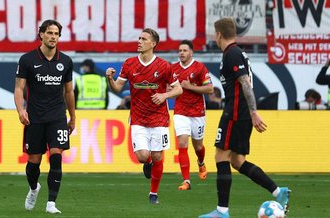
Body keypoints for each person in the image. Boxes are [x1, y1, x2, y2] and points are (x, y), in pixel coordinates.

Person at [199, 17, 290, 218]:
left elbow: (246, 83)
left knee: (220, 156)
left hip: (236, 113)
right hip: (241, 113)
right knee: (238, 161)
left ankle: (222, 211)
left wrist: (253, 111)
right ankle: (278, 192)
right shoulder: (236, 53)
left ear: (219, 35)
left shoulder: (232, 53)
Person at [106, 28, 183, 204]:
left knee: (157, 156)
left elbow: (178, 89)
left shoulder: (164, 66)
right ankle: (147, 164)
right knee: (143, 156)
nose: (139, 41)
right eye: (139, 38)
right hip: (138, 119)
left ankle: (153, 194)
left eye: (143, 39)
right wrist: (109, 79)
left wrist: (164, 96)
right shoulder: (129, 64)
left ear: (153, 44)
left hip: (159, 119)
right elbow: (117, 88)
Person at [14, 19, 76, 214]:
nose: (53, 37)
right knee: (34, 161)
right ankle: (34, 188)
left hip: (57, 116)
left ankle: (51, 203)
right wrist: (20, 110)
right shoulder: (27, 60)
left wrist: (72, 117)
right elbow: (19, 88)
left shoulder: (65, 61)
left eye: (56, 34)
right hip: (35, 117)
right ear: (41, 34)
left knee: (56, 155)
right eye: (49, 33)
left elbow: (68, 92)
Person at [171, 40, 214, 190]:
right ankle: (186, 181)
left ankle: (201, 163)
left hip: (197, 112)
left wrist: (190, 87)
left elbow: (210, 89)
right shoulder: (173, 69)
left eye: (184, 50)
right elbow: (167, 87)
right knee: (182, 144)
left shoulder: (199, 67)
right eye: (179, 50)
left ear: (191, 52)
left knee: (198, 146)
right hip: (180, 111)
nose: (181, 53)